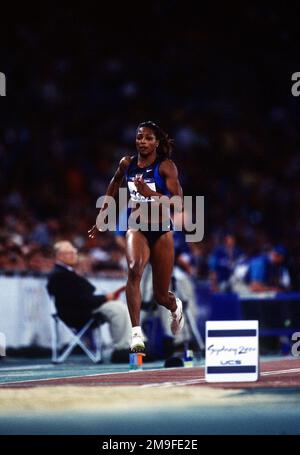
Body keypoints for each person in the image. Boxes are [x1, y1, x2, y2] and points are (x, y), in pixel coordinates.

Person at [89, 121, 185, 353]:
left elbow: (178, 200)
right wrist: (103, 218)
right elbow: (113, 185)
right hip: (137, 227)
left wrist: (149, 193)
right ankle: (136, 335)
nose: (142, 141)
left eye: (148, 138)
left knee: (161, 296)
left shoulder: (166, 167)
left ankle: (175, 306)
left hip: (161, 230)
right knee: (134, 269)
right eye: (139, 137)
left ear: (157, 142)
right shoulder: (127, 163)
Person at [47, 240, 131, 362]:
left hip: (82, 308)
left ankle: (128, 344)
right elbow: (77, 300)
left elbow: (80, 297)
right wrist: (104, 298)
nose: (75, 254)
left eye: (74, 251)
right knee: (117, 308)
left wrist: (104, 298)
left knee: (118, 306)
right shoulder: (60, 275)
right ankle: (123, 347)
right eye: (71, 252)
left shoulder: (65, 273)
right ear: (60, 256)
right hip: (76, 313)